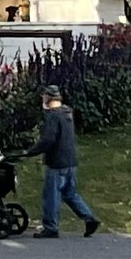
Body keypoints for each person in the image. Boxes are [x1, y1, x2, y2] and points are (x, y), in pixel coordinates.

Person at [26, 85, 100, 238]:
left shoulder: (53, 116)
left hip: (56, 163)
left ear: (48, 98)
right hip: (71, 161)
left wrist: (31, 151)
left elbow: (48, 139)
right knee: (70, 194)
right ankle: (89, 218)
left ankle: (51, 227)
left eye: (44, 97)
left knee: (51, 196)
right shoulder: (67, 113)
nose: (42, 100)